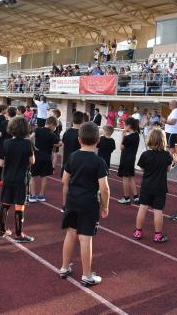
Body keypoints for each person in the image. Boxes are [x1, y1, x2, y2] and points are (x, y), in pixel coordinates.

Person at [59, 121, 110, 286]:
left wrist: (65, 200)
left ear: (79, 139)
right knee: (85, 238)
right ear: (98, 140)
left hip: (73, 200)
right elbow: (105, 188)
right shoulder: (99, 162)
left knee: (70, 234)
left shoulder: (73, 156)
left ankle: (64, 267)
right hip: (89, 203)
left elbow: (64, 180)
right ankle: (87, 275)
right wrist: (105, 205)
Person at [0, 116, 36, 242]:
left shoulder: (6, 142)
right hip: (21, 180)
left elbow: (1, 162)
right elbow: (32, 161)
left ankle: (2, 231)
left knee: (5, 204)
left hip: (8, 178)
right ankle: (19, 234)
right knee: (19, 206)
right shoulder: (27, 143)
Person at [134, 128, 172, 242]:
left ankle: (138, 231)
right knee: (158, 210)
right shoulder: (167, 155)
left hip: (147, 186)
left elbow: (141, 167)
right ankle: (158, 235)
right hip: (160, 187)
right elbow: (168, 169)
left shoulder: (145, 154)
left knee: (142, 208)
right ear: (163, 140)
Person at [30, 116, 60, 202]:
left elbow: (30, 138)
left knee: (32, 176)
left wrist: (34, 147)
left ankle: (33, 195)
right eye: (54, 126)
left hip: (37, 157)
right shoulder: (52, 135)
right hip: (47, 158)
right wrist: (52, 145)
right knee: (44, 177)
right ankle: (41, 195)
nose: (54, 129)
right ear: (51, 125)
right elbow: (60, 143)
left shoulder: (38, 130)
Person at [117, 118, 140, 205]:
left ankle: (126, 197)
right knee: (130, 178)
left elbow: (121, 147)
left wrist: (123, 136)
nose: (123, 126)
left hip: (126, 159)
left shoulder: (128, 137)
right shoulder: (137, 135)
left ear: (129, 126)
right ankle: (136, 197)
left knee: (125, 178)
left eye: (124, 124)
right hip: (131, 159)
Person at [61, 111, 83, 177]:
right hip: (78, 164)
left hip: (67, 162)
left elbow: (63, 147)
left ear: (72, 120)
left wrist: (63, 162)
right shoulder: (82, 134)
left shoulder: (66, 132)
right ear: (82, 120)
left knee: (65, 185)